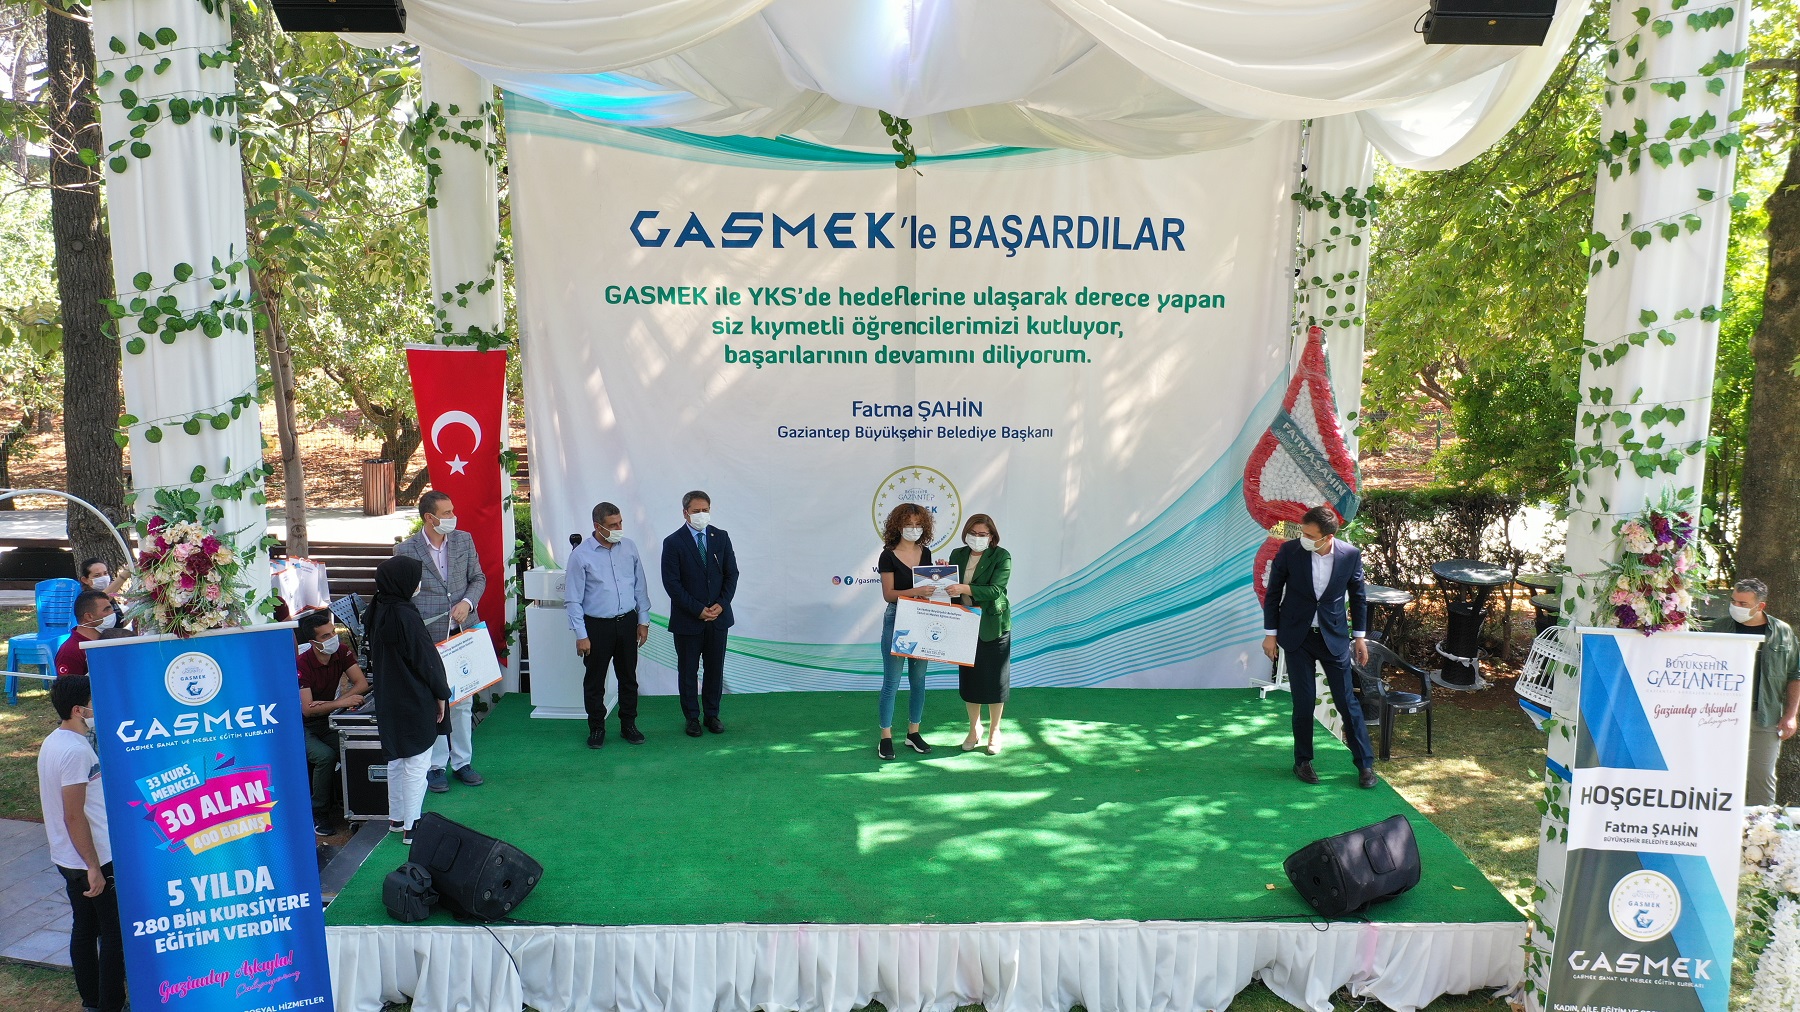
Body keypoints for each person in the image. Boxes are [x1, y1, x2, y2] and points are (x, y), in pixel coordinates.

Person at [1262, 504, 1377, 789]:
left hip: (1333, 637)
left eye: (1310, 535)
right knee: (1303, 702)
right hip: (1297, 637)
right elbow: (1273, 593)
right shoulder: (1290, 551)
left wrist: (1359, 637)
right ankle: (1302, 761)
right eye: (1303, 532)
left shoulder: (1350, 555)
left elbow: (1358, 596)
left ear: (1328, 537)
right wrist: (1270, 634)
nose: (1304, 538)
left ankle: (1365, 764)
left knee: (1346, 701)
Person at [38, 675, 125, 1012]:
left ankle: (92, 1001)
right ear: (78, 710)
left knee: (85, 928)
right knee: (113, 933)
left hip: (68, 855)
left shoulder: (54, 741)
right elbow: (73, 815)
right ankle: (110, 1004)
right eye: (92, 703)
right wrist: (93, 866)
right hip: (93, 857)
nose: (96, 709)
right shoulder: (75, 751)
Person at [394, 490, 487, 793]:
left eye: (452, 511)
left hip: (462, 633)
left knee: (462, 701)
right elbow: (402, 596)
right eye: (446, 513)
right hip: (428, 637)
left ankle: (462, 763)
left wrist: (467, 603)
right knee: (433, 702)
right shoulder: (406, 550)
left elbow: (478, 578)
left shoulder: (464, 540)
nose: (453, 517)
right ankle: (435, 766)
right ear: (429, 518)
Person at [367, 556, 450, 845]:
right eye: (416, 578)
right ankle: (412, 826)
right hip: (414, 696)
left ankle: (397, 818)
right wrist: (441, 693)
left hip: (388, 696)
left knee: (396, 758)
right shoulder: (406, 614)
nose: (419, 583)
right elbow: (426, 659)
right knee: (417, 761)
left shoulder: (377, 608)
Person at [565, 502, 652, 749]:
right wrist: (581, 635)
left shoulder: (630, 547)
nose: (619, 528)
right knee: (595, 681)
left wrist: (643, 620)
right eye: (613, 525)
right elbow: (573, 599)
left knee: (628, 678)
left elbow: (640, 586)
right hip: (596, 627)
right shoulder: (580, 555)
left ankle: (629, 725)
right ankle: (596, 728)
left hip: (627, 622)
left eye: (620, 522)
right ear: (597, 526)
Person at [1711, 578, 1800, 806]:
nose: (1735, 607)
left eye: (1743, 604)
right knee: (1718, 773)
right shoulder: (1718, 627)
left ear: (1760, 606)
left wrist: (1791, 716)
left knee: (1762, 777)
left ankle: (1760, 827)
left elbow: (1795, 675)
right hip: (1719, 716)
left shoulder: (1782, 632)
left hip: (1765, 716)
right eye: (1733, 601)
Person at [662, 491, 739, 737]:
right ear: (685, 513)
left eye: (705, 510)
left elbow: (731, 574)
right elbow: (672, 583)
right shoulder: (673, 542)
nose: (701, 515)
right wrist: (697, 609)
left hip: (718, 618)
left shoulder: (721, 537)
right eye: (696, 511)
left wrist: (721, 604)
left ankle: (712, 715)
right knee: (688, 671)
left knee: (715, 669)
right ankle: (692, 718)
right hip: (688, 620)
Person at [296, 610, 370, 837]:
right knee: (325, 756)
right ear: (313, 643)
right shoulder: (302, 663)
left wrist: (332, 704)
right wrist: (341, 702)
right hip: (300, 727)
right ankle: (318, 812)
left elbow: (362, 683)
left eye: (332, 633)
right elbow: (307, 709)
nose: (332, 638)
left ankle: (356, 802)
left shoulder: (342, 651)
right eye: (325, 636)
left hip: (327, 721)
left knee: (353, 749)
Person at [877, 503, 939, 760]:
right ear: (897, 526)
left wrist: (941, 575)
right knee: (891, 682)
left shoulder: (926, 553)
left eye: (918, 525)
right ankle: (885, 737)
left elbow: (931, 589)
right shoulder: (888, 555)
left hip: (921, 618)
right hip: (897, 618)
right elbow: (888, 594)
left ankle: (913, 733)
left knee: (919, 681)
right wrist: (916, 592)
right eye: (908, 524)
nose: (913, 529)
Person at [947, 514, 1012, 755]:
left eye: (982, 534)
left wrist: (964, 588)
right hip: (964, 622)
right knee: (970, 681)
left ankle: (995, 730)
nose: (977, 538)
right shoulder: (957, 554)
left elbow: (995, 590)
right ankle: (974, 728)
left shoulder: (1001, 556)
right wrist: (941, 575)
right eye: (973, 533)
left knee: (995, 682)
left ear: (992, 536)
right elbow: (949, 587)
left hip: (992, 624)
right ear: (966, 533)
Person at [54, 590, 116, 677]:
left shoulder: (108, 639)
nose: (112, 613)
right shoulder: (70, 652)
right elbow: (68, 685)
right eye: (106, 610)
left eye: (111, 609)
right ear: (89, 616)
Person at [77, 557, 128, 629]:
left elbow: (120, 623)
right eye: (97, 575)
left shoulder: (110, 597)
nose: (103, 578)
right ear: (85, 580)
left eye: (105, 573)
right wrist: (123, 576)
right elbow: (103, 598)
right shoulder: (85, 599)